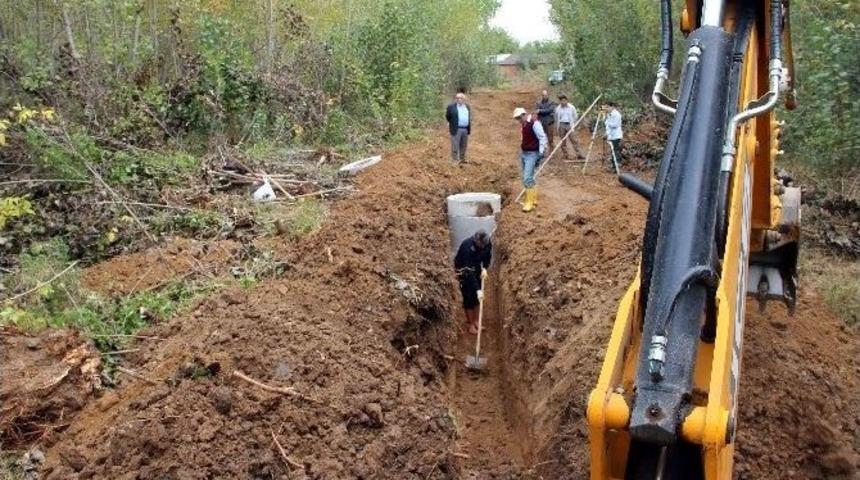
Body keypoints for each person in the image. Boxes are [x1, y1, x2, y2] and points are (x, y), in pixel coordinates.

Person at [454, 231, 492, 334]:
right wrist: (477, 289)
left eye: (485, 245)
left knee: (477, 298)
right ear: (476, 241)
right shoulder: (467, 248)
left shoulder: (487, 242)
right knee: (469, 298)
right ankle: (470, 325)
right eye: (481, 245)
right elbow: (469, 272)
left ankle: (476, 321)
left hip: (475, 267)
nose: (483, 247)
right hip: (464, 270)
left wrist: (485, 268)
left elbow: (487, 255)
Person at [513, 107, 548, 213]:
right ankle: (534, 199)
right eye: (517, 119)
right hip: (524, 153)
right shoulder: (523, 125)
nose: (518, 120)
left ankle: (529, 203)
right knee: (530, 177)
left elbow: (542, 137)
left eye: (519, 118)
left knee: (527, 178)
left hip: (532, 154)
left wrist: (541, 152)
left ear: (524, 115)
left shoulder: (534, 122)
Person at [445, 92, 471, 164]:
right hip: (456, 128)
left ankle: (462, 159)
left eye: (461, 98)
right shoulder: (451, 107)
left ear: (464, 99)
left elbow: (468, 117)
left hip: (465, 129)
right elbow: (448, 116)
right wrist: (451, 123)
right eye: (457, 98)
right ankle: (454, 160)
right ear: (455, 99)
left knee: (464, 145)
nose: (459, 99)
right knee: (455, 145)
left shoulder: (467, 107)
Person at [555, 95, 583, 159]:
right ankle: (565, 155)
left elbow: (575, 116)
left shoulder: (571, 107)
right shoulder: (558, 109)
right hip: (561, 125)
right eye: (561, 101)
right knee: (563, 141)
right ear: (560, 101)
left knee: (574, 140)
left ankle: (579, 154)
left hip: (569, 125)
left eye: (564, 100)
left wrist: (573, 123)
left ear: (567, 101)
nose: (563, 102)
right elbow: (557, 118)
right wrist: (558, 127)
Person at [604, 101, 623, 168]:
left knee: (615, 151)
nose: (606, 108)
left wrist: (607, 122)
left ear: (612, 107)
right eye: (605, 107)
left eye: (607, 107)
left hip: (616, 135)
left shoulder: (616, 114)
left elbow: (615, 125)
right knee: (613, 151)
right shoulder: (609, 114)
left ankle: (616, 166)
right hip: (611, 135)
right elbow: (607, 125)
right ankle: (614, 165)